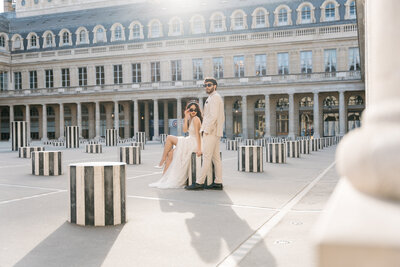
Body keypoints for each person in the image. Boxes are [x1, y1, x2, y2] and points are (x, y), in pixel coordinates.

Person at [149, 102, 202, 188]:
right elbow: (185, 130)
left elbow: (198, 135)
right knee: (170, 154)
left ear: (197, 111)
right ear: (188, 110)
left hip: (193, 142)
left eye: (195, 110)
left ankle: (162, 161)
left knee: (169, 138)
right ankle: (163, 178)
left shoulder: (196, 119)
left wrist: (199, 149)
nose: (193, 111)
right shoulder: (190, 119)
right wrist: (186, 117)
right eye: (191, 110)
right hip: (189, 140)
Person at [185, 77, 224, 190]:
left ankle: (199, 182)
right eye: (205, 85)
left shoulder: (215, 98)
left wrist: (206, 130)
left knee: (206, 157)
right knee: (216, 158)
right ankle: (218, 182)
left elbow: (213, 116)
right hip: (215, 131)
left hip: (211, 132)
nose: (207, 87)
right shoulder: (213, 97)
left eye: (209, 85)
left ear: (215, 86)